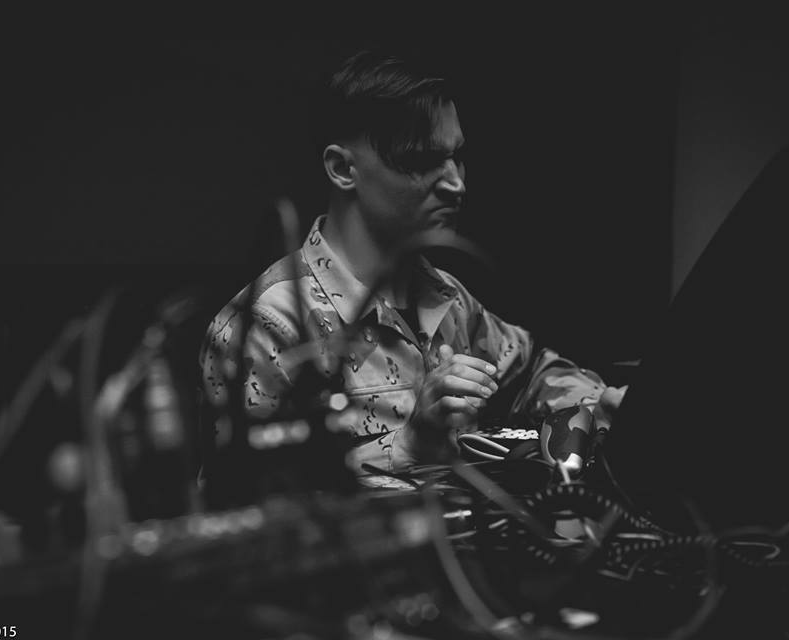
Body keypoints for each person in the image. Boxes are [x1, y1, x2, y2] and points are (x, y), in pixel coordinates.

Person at [200, 49, 626, 476]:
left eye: (456, 157)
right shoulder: (266, 326)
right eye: (423, 160)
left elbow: (534, 370)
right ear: (342, 168)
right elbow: (242, 497)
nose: (456, 184)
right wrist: (408, 445)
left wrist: (598, 404)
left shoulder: (446, 297)